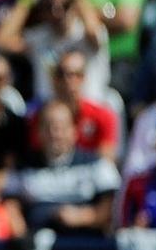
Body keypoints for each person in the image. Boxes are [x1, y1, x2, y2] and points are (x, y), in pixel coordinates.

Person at [7, 99, 120, 236]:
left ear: (74, 130)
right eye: (48, 127)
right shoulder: (23, 167)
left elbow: (111, 206)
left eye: (61, 128)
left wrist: (83, 217)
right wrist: (21, 235)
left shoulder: (97, 165)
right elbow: (10, 204)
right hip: (36, 241)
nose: (55, 134)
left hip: (87, 243)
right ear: (38, 132)